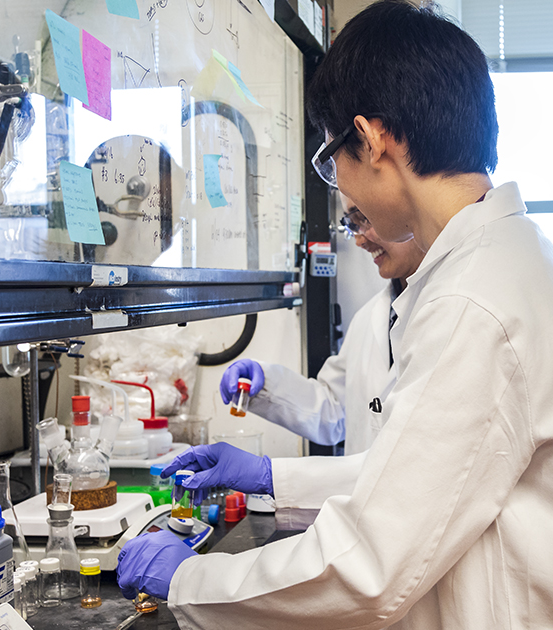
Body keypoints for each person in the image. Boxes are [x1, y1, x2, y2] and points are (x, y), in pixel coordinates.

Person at [118, 2, 553, 627]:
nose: (340, 191)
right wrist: (271, 476)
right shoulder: (503, 262)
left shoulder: (473, 300)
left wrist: (188, 577)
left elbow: (369, 566)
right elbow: (411, 482)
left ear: (371, 140)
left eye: (331, 161)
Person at [221, 193, 424, 456]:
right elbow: (336, 410)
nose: (360, 240)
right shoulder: (370, 317)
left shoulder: (453, 310)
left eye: (365, 218)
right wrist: (265, 382)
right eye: (353, 224)